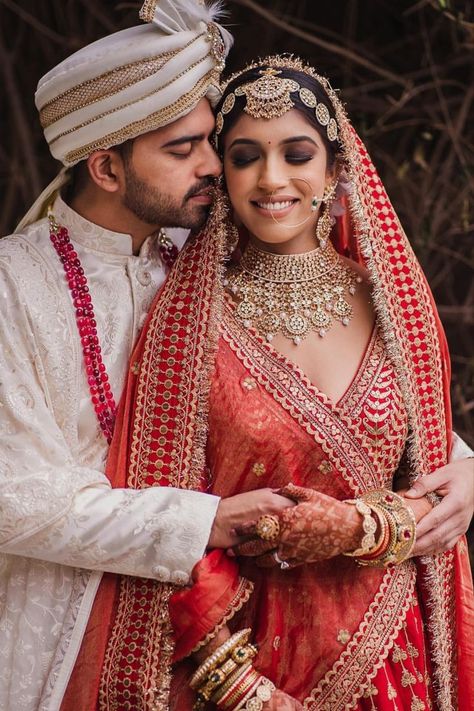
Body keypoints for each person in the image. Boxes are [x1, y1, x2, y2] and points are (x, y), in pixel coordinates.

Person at [94, 55, 474, 710]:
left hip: (394, 661)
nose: (272, 179)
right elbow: (158, 515)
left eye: (297, 153)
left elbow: (435, 481)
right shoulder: (181, 324)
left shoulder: (398, 309)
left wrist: (360, 528)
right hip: (240, 666)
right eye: (245, 156)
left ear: (335, 169)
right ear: (223, 174)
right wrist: (243, 690)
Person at [0, 5, 294, 710]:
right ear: (105, 165)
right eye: (181, 149)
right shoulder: (12, 285)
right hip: (63, 641)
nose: (212, 165)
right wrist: (203, 520)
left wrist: (456, 464)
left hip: (245, 622)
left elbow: (319, 378)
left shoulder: (213, 258)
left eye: (210, 140)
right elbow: (12, 496)